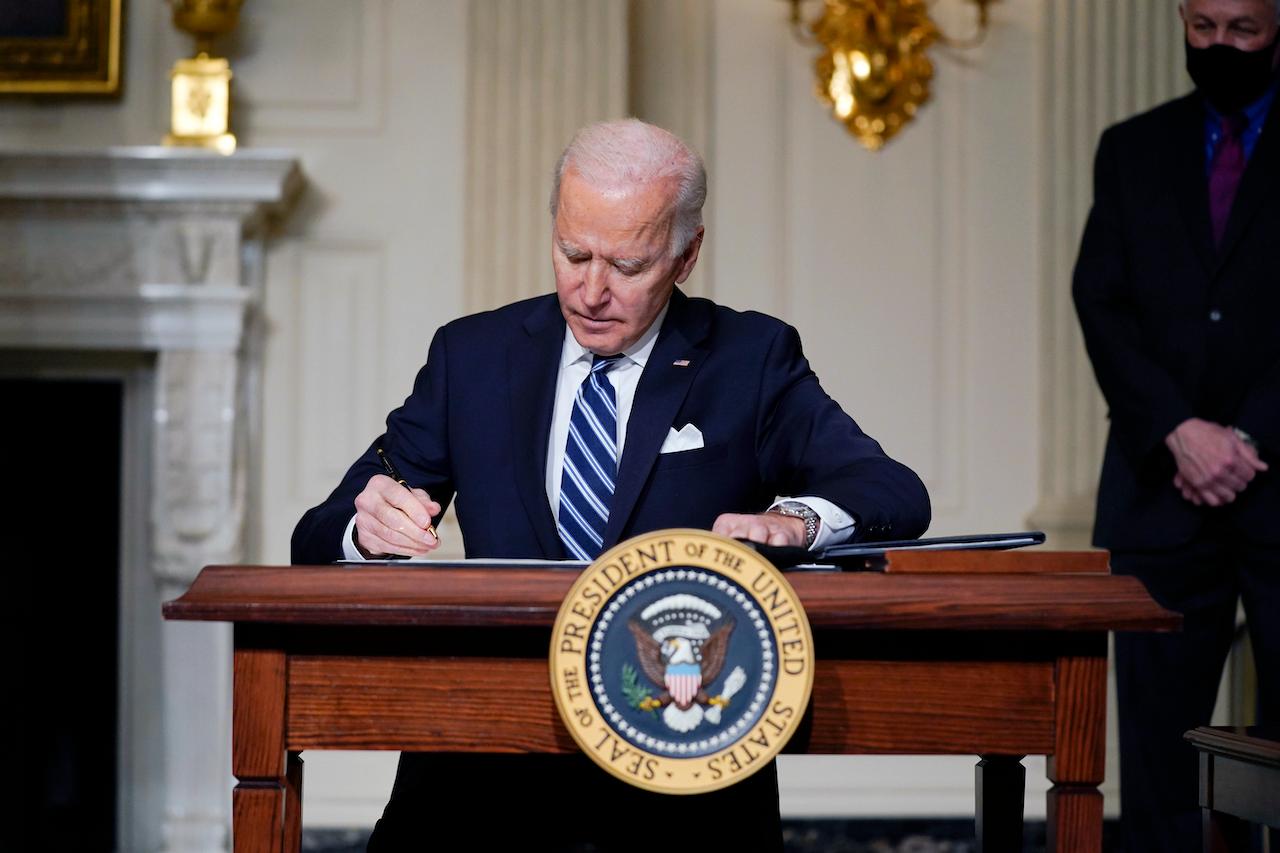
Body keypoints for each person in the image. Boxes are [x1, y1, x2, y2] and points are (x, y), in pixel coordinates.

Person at [293, 118, 930, 851]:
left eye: (627, 266)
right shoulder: (472, 356)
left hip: (683, 777)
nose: (591, 291)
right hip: (479, 775)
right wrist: (366, 528)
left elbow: (892, 490)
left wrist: (797, 521)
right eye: (573, 254)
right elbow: (319, 533)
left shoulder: (749, 360)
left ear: (687, 255)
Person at [1072, 1, 1280, 849]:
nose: (1220, 44)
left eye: (1243, 29)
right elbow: (1101, 301)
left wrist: (1249, 436)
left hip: (1277, 489)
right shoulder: (1132, 147)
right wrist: (1179, 430)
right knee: (1159, 768)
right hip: (1161, 494)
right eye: (1203, 27)